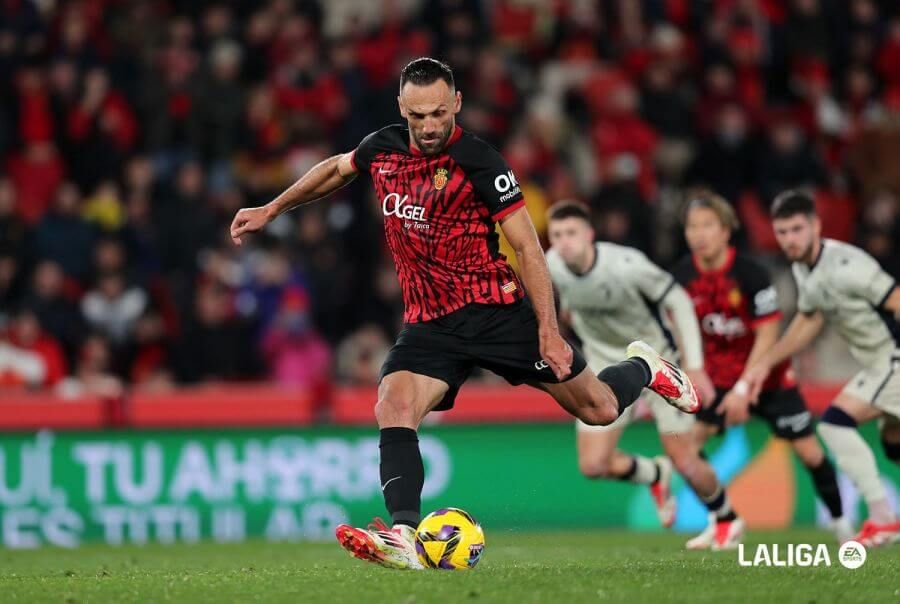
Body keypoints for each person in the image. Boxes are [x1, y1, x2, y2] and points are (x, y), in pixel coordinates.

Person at [229, 57, 700, 570]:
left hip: (497, 313)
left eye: (438, 113)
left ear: (455, 103)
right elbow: (335, 170)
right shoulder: (382, 147)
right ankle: (405, 535)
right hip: (430, 323)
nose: (430, 126)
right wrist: (272, 209)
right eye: (418, 116)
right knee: (393, 403)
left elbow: (528, 248)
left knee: (601, 409)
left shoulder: (481, 162)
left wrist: (548, 330)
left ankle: (646, 368)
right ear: (401, 109)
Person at [546, 200, 744, 550]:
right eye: (557, 234)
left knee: (686, 460)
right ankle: (654, 474)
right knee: (593, 465)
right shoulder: (552, 265)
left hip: (658, 364)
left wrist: (695, 365)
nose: (564, 242)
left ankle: (727, 518)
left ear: (590, 234)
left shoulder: (625, 265)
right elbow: (566, 309)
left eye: (572, 233)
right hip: (605, 368)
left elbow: (679, 301)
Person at [672, 191, 849, 544]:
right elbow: (678, 330)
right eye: (692, 227)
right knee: (687, 448)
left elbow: (768, 335)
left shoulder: (751, 273)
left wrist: (743, 388)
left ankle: (841, 522)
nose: (699, 234)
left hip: (767, 376)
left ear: (726, 230)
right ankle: (723, 520)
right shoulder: (680, 275)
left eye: (708, 225)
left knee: (809, 452)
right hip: (714, 379)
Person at [743, 189, 900, 547]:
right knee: (894, 444)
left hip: (892, 358)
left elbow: (896, 300)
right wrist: (766, 361)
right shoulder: (803, 268)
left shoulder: (849, 266)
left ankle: (883, 517)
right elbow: (810, 319)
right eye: (782, 232)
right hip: (877, 363)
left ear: (816, 225)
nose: (789, 240)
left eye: (797, 229)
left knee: (833, 424)